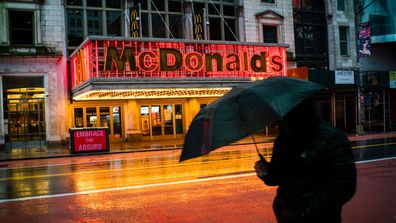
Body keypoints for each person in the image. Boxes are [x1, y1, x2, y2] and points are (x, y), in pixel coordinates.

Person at [254, 97, 357, 223]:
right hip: (286, 216)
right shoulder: (284, 138)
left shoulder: (331, 138)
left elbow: (343, 186)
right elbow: (278, 177)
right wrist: (266, 172)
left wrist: (304, 212)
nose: (280, 120)